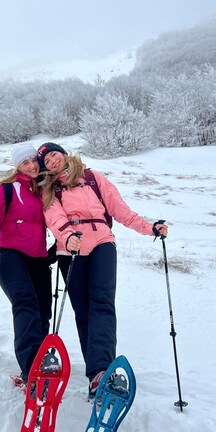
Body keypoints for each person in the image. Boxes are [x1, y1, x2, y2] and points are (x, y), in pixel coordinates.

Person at [36, 141, 168, 399]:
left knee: (103, 303)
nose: (52, 162)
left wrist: (149, 228)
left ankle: (101, 371)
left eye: (53, 155)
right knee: (83, 311)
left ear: (62, 153)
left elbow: (121, 210)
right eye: (46, 162)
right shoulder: (49, 189)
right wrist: (66, 235)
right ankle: (95, 374)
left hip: (102, 244)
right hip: (70, 249)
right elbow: (54, 218)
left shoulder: (93, 178)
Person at [0, 143, 54, 388]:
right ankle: (31, 368)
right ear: (17, 166)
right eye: (24, 162)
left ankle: (42, 361)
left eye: (33, 160)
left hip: (39, 258)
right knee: (25, 302)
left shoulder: (45, 190)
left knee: (43, 311)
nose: (31, 165)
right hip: (10, 254)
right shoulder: (7, 188)